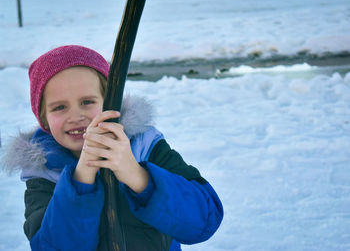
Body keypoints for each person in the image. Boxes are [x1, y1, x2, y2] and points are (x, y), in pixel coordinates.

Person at [3, 45, 223, 251]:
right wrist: (81, 180)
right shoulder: (44, 173)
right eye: (59, 107)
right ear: (44, 119)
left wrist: (137, 176)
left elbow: (204, 220)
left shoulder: (146, 147)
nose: (76, 116)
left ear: (111, 101)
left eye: (87, 101)